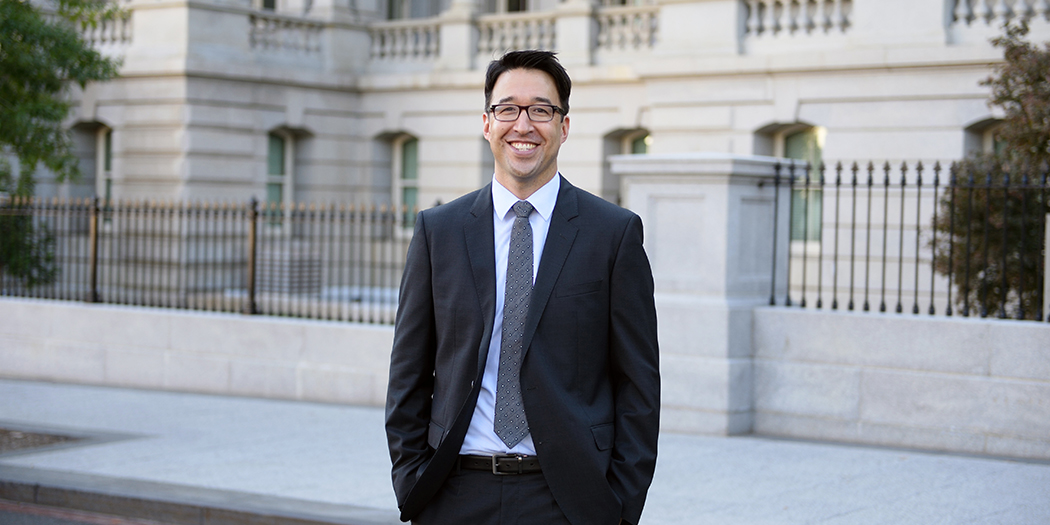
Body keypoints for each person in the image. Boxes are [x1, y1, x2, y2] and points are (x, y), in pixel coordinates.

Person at [385, 49, 660, 525]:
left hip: (569, 499)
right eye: (508, 108)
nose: (523, 124)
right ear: (487, 123)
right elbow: (408, 371)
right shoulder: (439, 231)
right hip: (454, 492)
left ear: (564, 126)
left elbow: (638, 383)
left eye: (541, 110)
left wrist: (618, 506)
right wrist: (412, 479)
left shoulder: (612, 233)